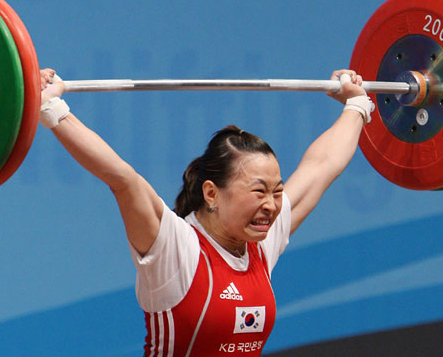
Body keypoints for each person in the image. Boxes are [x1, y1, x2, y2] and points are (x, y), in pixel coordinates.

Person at [38, 68, 373, 356]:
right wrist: (52, 107)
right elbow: (122, 178)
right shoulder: (175, 247)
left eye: (277, 191)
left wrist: (356, 105)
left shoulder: (261, 242)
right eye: (259, 191)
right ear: (212, 193)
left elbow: (323, 165)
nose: (271, 205)